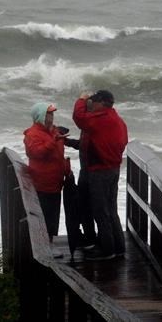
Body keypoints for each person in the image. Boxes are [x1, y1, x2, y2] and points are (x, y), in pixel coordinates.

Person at [72, 90, 128, 261]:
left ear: (103, 103)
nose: (92, 104)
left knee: (101, 211)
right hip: (113, 169)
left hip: (100, 171)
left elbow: (79, 118)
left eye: (94, 101)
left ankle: (107, 249)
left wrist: (80, 100)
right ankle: (118, 247)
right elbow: (123, 141)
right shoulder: (116, 120)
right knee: (111, 210)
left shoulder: (101, 119)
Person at [23, 102, 71, 258]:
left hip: (56, 183)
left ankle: (50, 244)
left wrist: (67, 170)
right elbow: (35, 153)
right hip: (42, 183)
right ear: (40, 117)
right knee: (44, 218)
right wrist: (54, 140)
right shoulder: (33, 134)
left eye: (52, 114)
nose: (51, 117)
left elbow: (59, 154)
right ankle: (44, 248)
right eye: (48, 114)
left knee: (53, 217)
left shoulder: (53, 131)